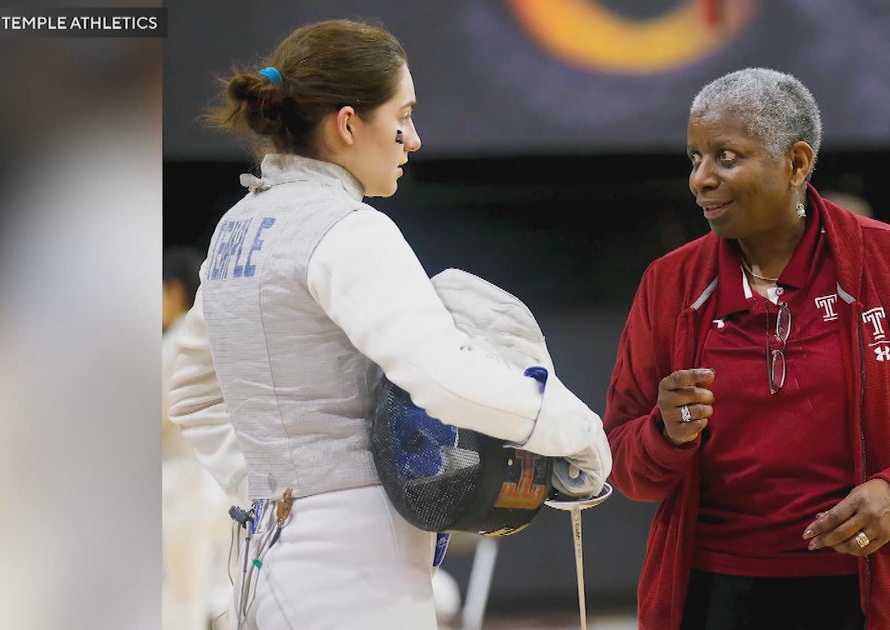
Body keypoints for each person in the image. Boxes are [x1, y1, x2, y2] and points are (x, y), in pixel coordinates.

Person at [166, 19, 611, 630]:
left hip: (267, 556)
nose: (413, 139)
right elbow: (443, 376)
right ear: (348, 124)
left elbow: (188, 390)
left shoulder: (237, 227)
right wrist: (572, 427)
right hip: (355, 572)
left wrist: (271, 490)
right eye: (402, 116)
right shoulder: (348, 230)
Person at [603, 67, 890, 629]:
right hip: (715, 597)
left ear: (796, 163)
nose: (701, 179)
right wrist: (664, 434)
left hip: (879, 596)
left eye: (726, 156)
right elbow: (624, 462)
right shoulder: (669, 284)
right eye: (694, 158)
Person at [162, 245, 234, 630]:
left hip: (181, 479)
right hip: (221, 480)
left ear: (173, 291)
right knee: (222, 591)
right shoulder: (216, 341)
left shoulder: (172, 344)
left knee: (179, 598)